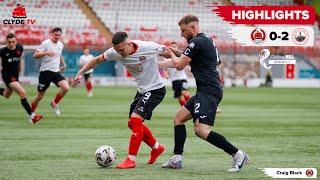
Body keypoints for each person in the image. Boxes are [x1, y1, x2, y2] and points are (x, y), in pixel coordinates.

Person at [159, 15, 249, 172]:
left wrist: (171, 53)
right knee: (178, 118)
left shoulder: (197, 42)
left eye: (183, 30)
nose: (181, 34)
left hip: (209, 91)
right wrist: (159, 61)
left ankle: (238, 154)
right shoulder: (205, 41)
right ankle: (176, 159)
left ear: (193, 28)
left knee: (200, 130)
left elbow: (179, 65)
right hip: (205, 90)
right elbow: (188, 57)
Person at [73, 32, 170, 169]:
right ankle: (157, 147)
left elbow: (167, 49)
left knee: (136, 120)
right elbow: (96, 60)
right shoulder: (115, 52)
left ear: (129, 44)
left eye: (121, 50)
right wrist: (79, 73)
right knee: (132, 123)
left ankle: (131, 159)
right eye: (117, 50)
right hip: (142, 90)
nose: (119, 53)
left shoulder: (148, 47)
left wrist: (186, 55)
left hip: (156, 89)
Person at [0, 33, 43, 123]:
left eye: (13, 42)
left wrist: (19, 70)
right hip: (7, 76)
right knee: (22, 93)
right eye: (9, 42)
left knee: (6, 95)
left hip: (15, 75)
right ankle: (32, 116)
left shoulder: (20, 48)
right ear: (6, 42)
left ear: (16, 41)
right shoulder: (2, 51)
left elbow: (19, 59)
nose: (11, 44)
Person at [31, 27, 69, 116]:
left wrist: (63, 64)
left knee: (66, 87)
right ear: (52, 34)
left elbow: (59, 54)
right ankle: (31, 112)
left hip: (55, 72)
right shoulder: (46, 43)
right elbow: (35, 55)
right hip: (45, 72)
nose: (57, 36)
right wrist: (46, 53)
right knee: (40, 96)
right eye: (55, 34)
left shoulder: (60, 44)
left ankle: (54, 103)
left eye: (59, 35)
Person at [163, 41, 190, 106]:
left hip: (182, 78)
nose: (173, 48)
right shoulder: (166, 58)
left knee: (185, 92)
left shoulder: (181, 56)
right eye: (172, 47)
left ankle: (192, 106)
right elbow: (165, 69)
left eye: (174, 47)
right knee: (179, 96)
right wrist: (166, 74)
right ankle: (185, 109)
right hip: (174, 80)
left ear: (177, 48)